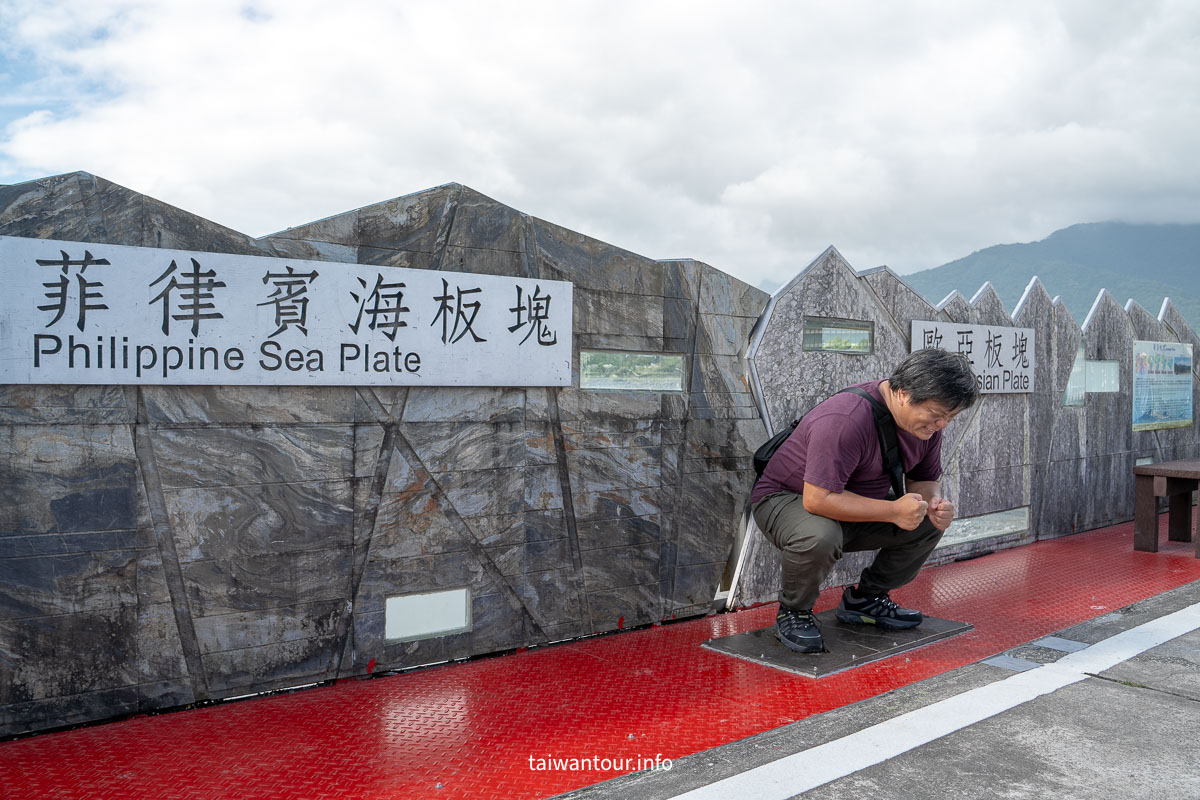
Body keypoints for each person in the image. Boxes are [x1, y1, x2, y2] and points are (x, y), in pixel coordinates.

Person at [749, 348, 980, 653]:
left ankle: (867, 600)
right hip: (787, 499)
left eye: (949, 418)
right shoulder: (844, 419)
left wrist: (935, 504)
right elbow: (817, 500)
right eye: (937, 416)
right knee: (820, 535)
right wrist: (893, 510)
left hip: (851, 503)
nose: (942, 425)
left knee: (926, 521)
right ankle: (793, 613)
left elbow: (923, 480)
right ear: (903, 393)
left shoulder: (925, 426)